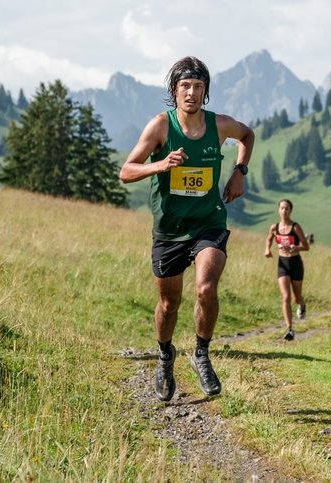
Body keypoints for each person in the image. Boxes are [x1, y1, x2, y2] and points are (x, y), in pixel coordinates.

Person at [119, 56, 255, 401]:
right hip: (169, 228)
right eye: (185, 86)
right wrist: (161, 165)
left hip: (208, 221)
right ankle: (165, 356)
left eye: (198, 87)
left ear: (205, 92)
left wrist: (240, 172)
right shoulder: (160, 127)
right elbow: (126, 170)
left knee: (206, 289)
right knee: (168, 304)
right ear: (174, 91)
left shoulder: (219, 125)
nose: (191, 93)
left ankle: (202, 353)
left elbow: (247, 135)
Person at [264, 199, 309, 341]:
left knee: (296, 297)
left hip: (295, 263)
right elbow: (269, 239)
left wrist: (295, 247)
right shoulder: (274, 227)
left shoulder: (295, 227)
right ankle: (290, 328)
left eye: (287, 208)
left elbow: (306, 246)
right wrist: (267, 250)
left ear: (291, 211)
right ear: (278, 210)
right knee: (286, 297)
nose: (284, 211)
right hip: (282, 263)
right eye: (282, 208)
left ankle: (301, 304)